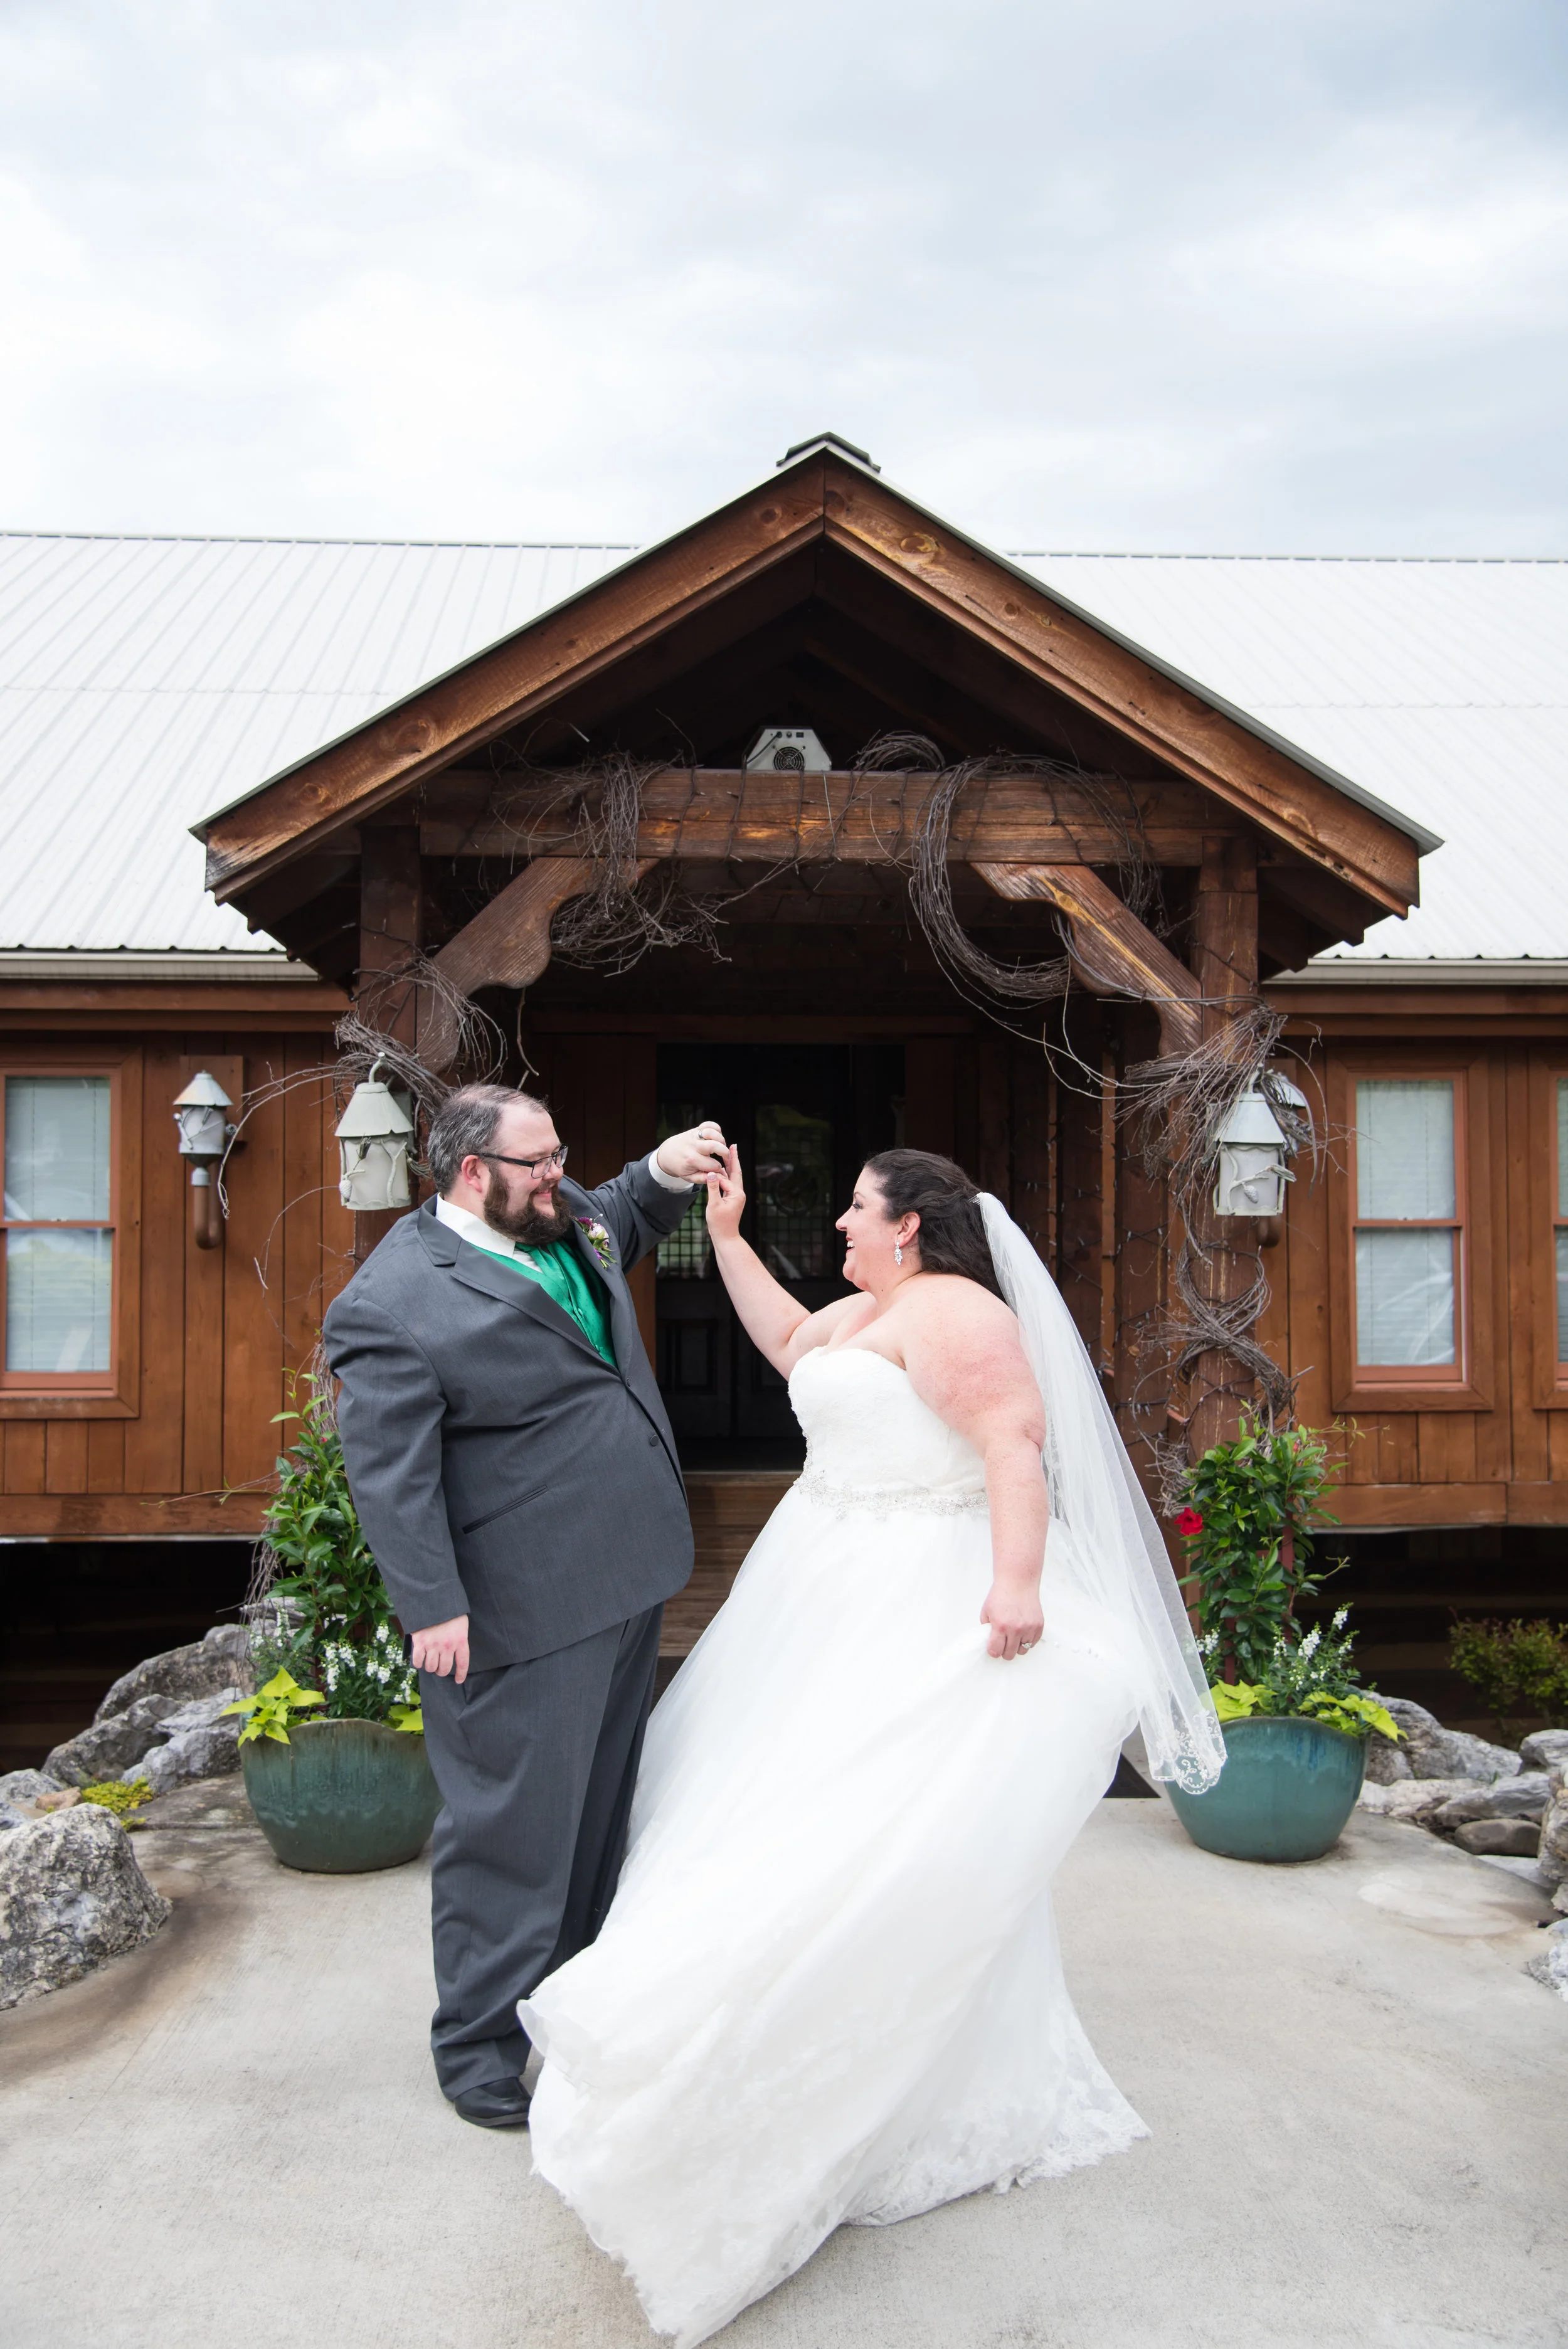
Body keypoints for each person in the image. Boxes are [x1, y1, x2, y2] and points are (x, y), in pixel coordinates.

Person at [520, 1145, 1222, 2346]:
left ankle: (863, 2071)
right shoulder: (870, 1310)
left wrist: (1017, 1585)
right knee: (764, 1806)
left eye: (855, 1206)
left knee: (873, 1828)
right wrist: (725, 1238)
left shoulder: (956, 1312)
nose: (840, 1221)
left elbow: (1012, 1443)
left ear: (907, 1226)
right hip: (819, 1588)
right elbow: (793, 1345)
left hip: (914, 1594)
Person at [322, 1082, 727, 2129]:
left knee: (594, 1820)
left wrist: (661, 1171)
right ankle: (478, 2048)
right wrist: (432, 1608)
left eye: (560, 1155)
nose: (561, 1176)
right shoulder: (390, 1302)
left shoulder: (558, 1213)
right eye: (539, 1162)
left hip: (627, 1577)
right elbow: (391, 1476)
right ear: (472, 1173)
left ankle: (570, 2009)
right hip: (519, 1606)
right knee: (511, 1833)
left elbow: (616, 1216)